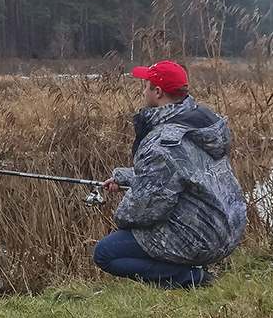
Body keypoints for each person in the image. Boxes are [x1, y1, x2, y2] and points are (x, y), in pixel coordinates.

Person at [93, 60, 247, 288]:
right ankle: (190, 269)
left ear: (158, 92)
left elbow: (144, 209)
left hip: (202, 240)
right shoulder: (202, 121)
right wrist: (125, 177)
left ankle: (190, 278)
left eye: (146, 86)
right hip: (228, 231)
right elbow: (179, 173)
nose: (143, 91)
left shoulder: (162, 141)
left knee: (105, 253)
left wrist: (121, 218)